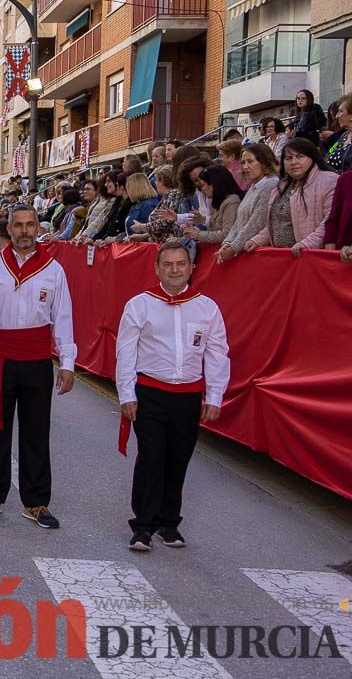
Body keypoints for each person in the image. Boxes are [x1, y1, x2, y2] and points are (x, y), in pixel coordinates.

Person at [0, 204, 76, 529]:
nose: (24, 230)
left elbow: (63, 319)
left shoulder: (54, 271)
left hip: (37, 359)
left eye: (30, 224)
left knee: (37, 431)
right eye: (18, 225)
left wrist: (67, 362)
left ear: (38, 228)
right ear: (9, 230)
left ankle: (36, 502)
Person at [116, 241, 229, 551]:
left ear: (191, 267)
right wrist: (126, 393)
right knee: (152, 456)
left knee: (178, 459)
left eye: (181, 264)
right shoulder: (139, 305)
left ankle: (169, 523)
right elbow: (125, 352)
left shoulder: (207, 308)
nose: (175, 270)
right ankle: (143, 526)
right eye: (168, 264)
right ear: (157, 268)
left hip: (188, 397)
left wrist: (214, 397)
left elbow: (218, 353)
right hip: (150, 393)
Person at [245, 139, 338, 257]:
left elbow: (329, 222)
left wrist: (306, 245)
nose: (294, 162)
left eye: (300, 156)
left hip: (309, 257)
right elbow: (275, 223)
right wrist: (257, 240)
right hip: (283, 259)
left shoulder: (329, 181)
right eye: (288, 158)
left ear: (313, 158)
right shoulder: (281, 186)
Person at [216, 144, 279, 264]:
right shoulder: (255, 185)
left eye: (250, 161)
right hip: (243, 250)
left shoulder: (271, 184)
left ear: (264, 162)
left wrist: (234, 247)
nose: (245, 167)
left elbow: (256, 223)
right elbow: (239, 222)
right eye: (243, 162)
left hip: (257, 254)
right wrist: (227, 243)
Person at [183, 166, 242, 245]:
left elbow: (227, 234)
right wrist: (198, 225)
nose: (203, 189)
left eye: (204, 185)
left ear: (214, 184)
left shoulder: (232, 202)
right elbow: (214, 226)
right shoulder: (217, 201)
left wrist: (197, 234)